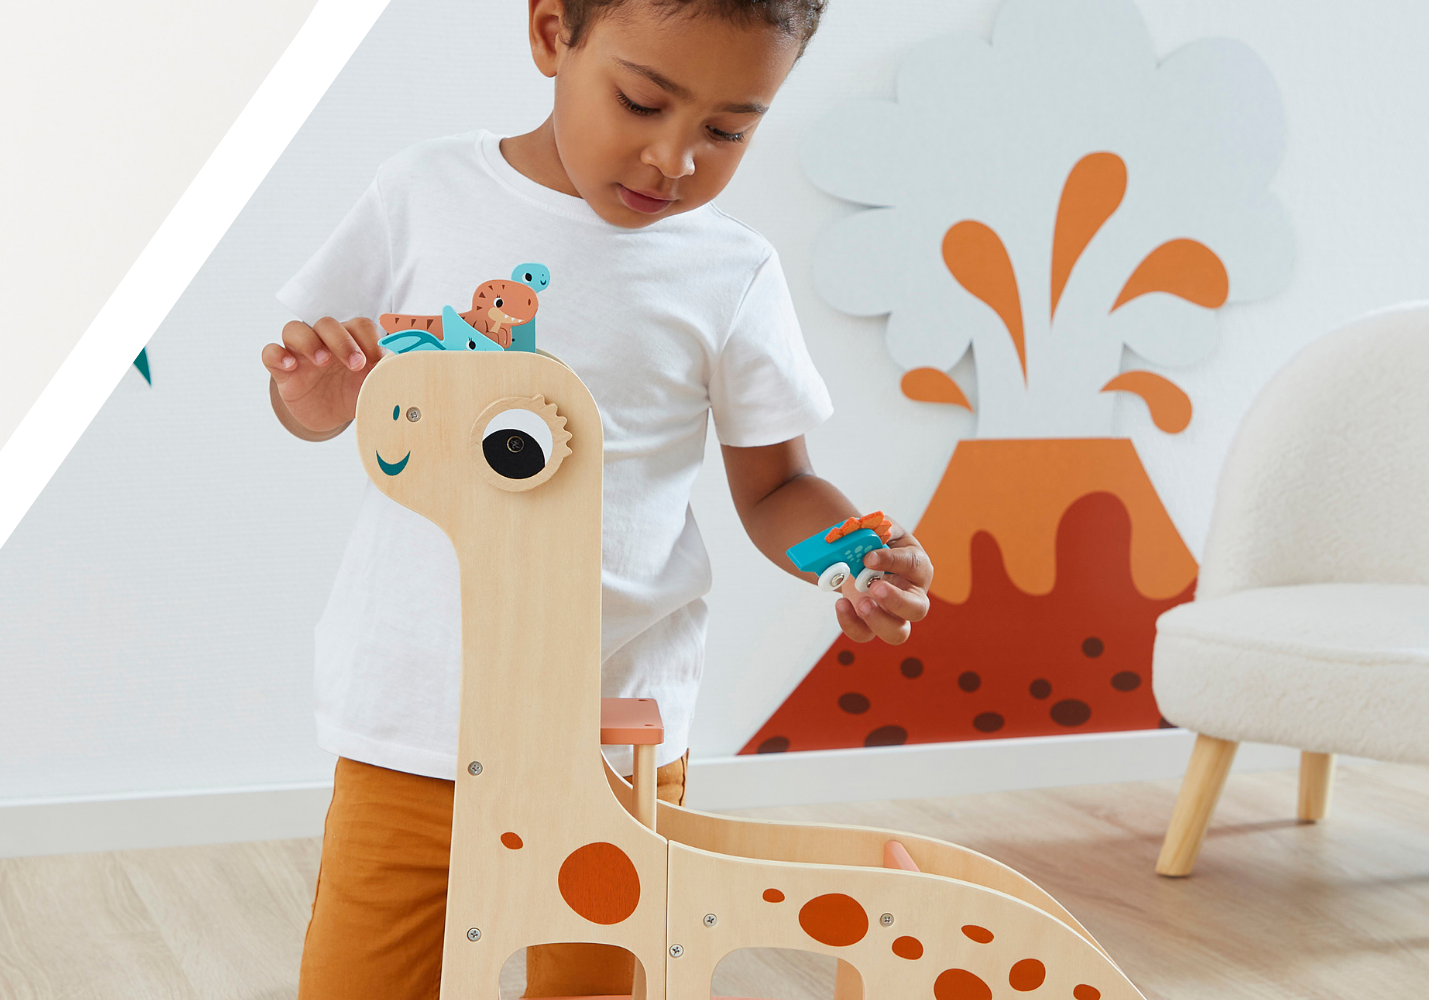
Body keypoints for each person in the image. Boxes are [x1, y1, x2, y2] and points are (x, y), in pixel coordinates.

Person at [260, 1, 933, 995]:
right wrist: (313, 399)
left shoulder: (730, 272)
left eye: (727, 130)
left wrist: (852, 552)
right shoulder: (423, 195)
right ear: (549, 34)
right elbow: (324, 400)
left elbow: (778, 484)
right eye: (642, 101)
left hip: (615, 732)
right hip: (414, 716)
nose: (674, 159)